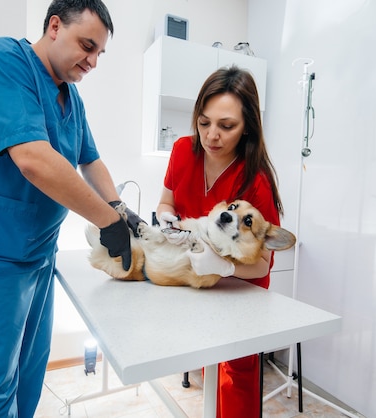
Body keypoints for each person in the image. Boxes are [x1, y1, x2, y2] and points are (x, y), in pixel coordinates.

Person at [0, 1, 144, 416]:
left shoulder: (71, 97)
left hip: (38, 258)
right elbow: (33, 158)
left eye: (100, 53)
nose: (93, 61)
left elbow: (90, 159)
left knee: (29, 378)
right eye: (87, 46)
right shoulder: (3, 62)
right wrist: (107, 221)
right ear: (53, 26)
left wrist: (119, 206)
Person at [156, 66, 284, 417]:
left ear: (247, 128)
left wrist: (226, 265)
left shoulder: (255, 181)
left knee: (235, 378)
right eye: (204, 122)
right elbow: (166, 202)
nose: (212, 135)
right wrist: (166, 217)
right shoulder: (183, 151)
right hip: (195, 284)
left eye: (226, 126)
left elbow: (261, 263)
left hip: (240, 296)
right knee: (205, 369)